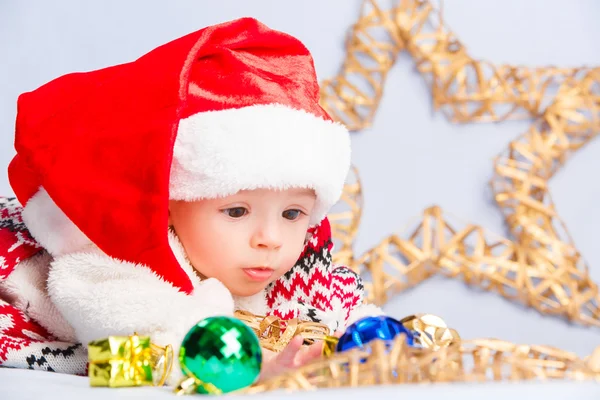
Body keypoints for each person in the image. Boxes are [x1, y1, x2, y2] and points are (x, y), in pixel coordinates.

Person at [0, 17, 382, 384]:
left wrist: (374, 343)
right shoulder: (110, 264)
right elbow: (123, 357)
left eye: (293, 213)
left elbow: (335, 313)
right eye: (236, 211)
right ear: (168, 206)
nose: (270, 238)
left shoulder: (296, 267)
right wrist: (247, 368)